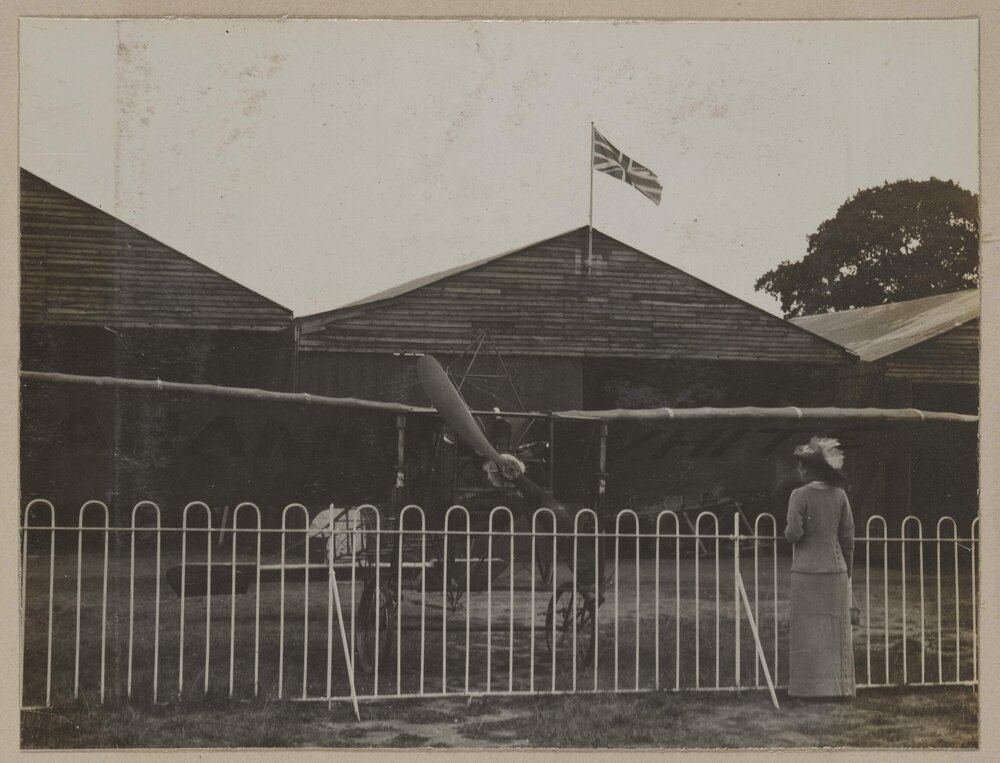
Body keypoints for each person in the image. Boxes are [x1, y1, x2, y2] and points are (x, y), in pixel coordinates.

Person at [784, 437, 856, 699]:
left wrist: (796, 531)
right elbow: (848, 537)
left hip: (806, 570)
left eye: (801, 466)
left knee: (806, 631)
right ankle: (838, 688)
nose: (799, 471)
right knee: (834, 630)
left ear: (809, 469)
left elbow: (793, 534)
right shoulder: (840, 496)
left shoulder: (799, 495)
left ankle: (806, 689)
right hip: (835, 569)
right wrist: (847, 570)